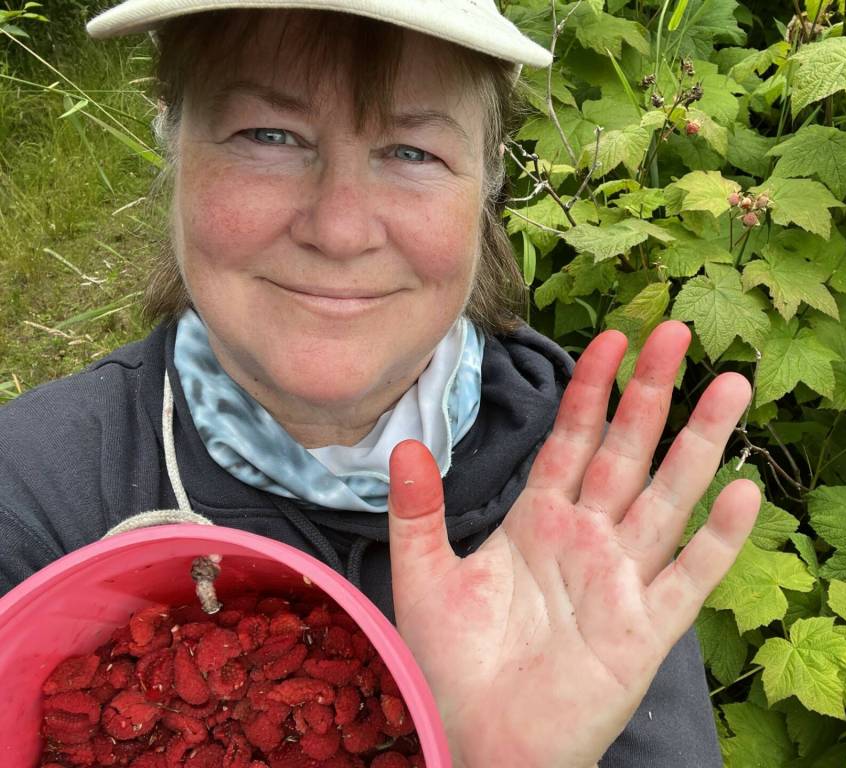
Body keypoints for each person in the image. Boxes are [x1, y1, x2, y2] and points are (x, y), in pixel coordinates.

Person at [0, 2, 760, 766]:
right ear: (173, 143)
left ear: (488, 184)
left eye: (411, 152)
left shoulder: (580, 514)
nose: (339, 229)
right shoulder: (33, 499)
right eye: (269, 136)